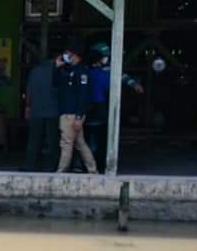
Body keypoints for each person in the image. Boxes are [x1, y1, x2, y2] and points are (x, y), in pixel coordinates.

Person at [85, 42, 144, 173]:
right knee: (92, 139)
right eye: (104, 56)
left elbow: (123, 76)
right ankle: (92, 166)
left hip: (99, 107)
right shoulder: (89, 71)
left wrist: (134, 84)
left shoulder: (107, 69)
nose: (107, 58)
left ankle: (96, 166)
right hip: (92, 108)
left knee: (99, 139)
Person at [55, 41, 97, 174]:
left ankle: (61, 171)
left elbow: (83, 96)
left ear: (75, 55)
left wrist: (79, 117)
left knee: (66, 143)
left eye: (68, 53)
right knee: (80, 144)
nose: (66, 56)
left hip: (72, 114)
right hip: (67, 112)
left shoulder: (81, 71)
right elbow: (55, 84)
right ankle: (93, 170)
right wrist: (57, 67)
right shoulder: (68, 70)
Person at [23, 52, 61, 172]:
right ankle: (50, 167)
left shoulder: (35, 71)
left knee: (33, 140)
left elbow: (28, 92)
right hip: (53, 111)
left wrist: (28, 107)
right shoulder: (59, 71)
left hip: (36, 110)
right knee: (52, 141)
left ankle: (30, 165)